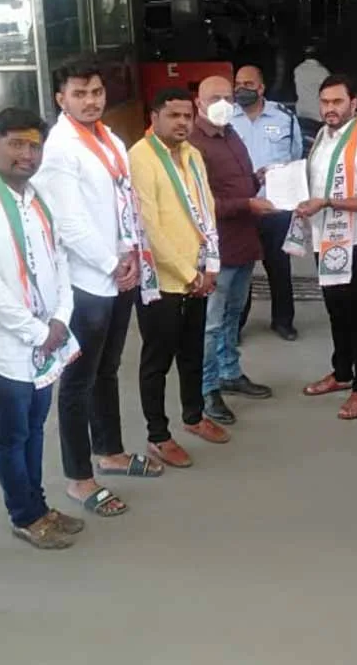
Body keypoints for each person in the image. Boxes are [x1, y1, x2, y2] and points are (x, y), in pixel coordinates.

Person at [0, 108, 85, 549]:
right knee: (13, 433)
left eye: (34, 146)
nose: (27, 154)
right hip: (6, 346)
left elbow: (59, 259)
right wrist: (36, 331)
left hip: (46, 339)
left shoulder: (37, 196)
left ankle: (39, 506)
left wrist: (62, 316)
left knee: (35, 426)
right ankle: (24, 515)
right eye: (16, 144)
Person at [36, 60, 162, 518]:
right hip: (86, 281)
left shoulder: (110, 138)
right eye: (80, 94)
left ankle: (109, 451)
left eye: (96, 92)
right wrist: (112, 263)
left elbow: (123, 204)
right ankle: (78, 477)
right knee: (77, 381)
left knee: (107, 368)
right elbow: (68, 223)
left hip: (119, 270)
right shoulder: (59, 149)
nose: (91, 101)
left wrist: (131, 255)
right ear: (61, 99)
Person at [130, 88, 230, 467]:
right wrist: (189, 274)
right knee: (157, 361)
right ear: (154, 117)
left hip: (198, 274)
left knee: (192, 352)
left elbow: (207, 209)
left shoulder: (193, 155)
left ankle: (194, 415)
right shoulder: (140, 157)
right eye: (173, 115)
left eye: (187, 116)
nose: (182, 123)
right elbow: (149, 227)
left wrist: (210, 265)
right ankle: (158, 436)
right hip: (163, 281)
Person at [292, 74, 357, 420]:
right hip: (326, 238)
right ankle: (342, 372)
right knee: (335, 310)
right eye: (325, 102)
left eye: (337, 102)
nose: (330, 109)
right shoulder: (323, 135)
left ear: (353, 103)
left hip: (355, 242)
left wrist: (328, 203)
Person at [190, 75, 276, 426]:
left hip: (243, 243)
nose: (224, 104)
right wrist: (247, 203)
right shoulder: (193, 143)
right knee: (210, 324)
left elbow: (236, 185)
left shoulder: (231, 133)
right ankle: (207, 388)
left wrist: (258, 179)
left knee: (232, 316)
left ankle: (229, 371)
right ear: (198, 103)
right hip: (216, 250)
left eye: (228, 97)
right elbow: (201, 203)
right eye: (215, 98)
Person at [233, 64, 303, 341]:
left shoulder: (284, 117)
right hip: (243, 207)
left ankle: (283, 321)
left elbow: (295, 155)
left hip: (276, 207)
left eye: (248, 84)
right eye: (238, 84)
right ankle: (236, 323)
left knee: (279, 267)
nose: (242, 89)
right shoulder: (227, 118)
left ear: (261, 88)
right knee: (240, 271)